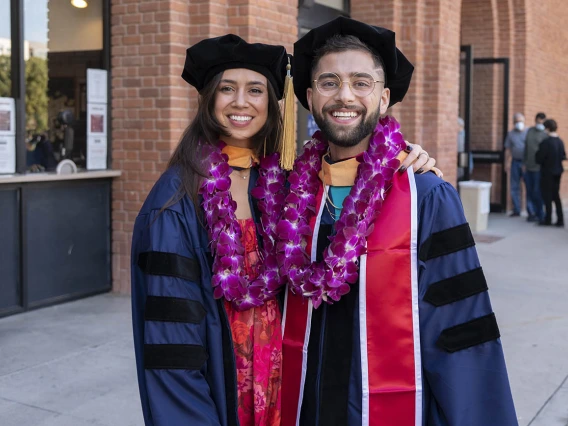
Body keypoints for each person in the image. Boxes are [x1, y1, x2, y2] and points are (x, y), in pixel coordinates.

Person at [130, 34, 436, 426]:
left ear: (271, 105)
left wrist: (404, 153)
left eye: (255, 90)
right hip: (221, 391)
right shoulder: (175, 203)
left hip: (284, 391)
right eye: (227, 89)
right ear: (208, 101)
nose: (242, 102)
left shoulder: (282, 188)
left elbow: (352, 171)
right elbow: (171, 346)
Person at [278, 17, 517, 426]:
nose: (345, 95)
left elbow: (461, 328)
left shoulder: (426, 196)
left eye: (361, 82)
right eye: (329, 82)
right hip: (304, 406)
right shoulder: (288, 195)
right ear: (310, 96)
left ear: (384, 98)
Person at [536, 119, 566, 227]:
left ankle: (548, 219)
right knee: (556, 196)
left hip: (547, 173)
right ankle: (560, 220)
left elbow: (539, 158)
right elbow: (563, 156)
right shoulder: (560, 141)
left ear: (547, 128)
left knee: (547, 197)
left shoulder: (546, 142)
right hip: (558, 172)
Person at [523, 112, 547, 222]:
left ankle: (540, 213)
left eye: (541, 122)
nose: (539, 124)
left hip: (538, 168)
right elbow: (526, 148)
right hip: (528, 166)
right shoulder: (530, 131)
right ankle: (531, 213)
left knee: (537, 191)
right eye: (538, 121)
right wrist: (524, 163)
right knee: (529, 191)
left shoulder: (545, 134)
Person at [504, 112, 528, 217]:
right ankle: (517, 209)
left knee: (529, 186)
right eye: (517, 121)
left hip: (526, 163)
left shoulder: (528, 132)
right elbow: (508, 149)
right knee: (514, 186)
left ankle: (530, 210)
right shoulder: (511, 134)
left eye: (520, 121)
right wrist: (507, 163)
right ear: (514, 123)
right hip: (515, 162)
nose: (519, 123)